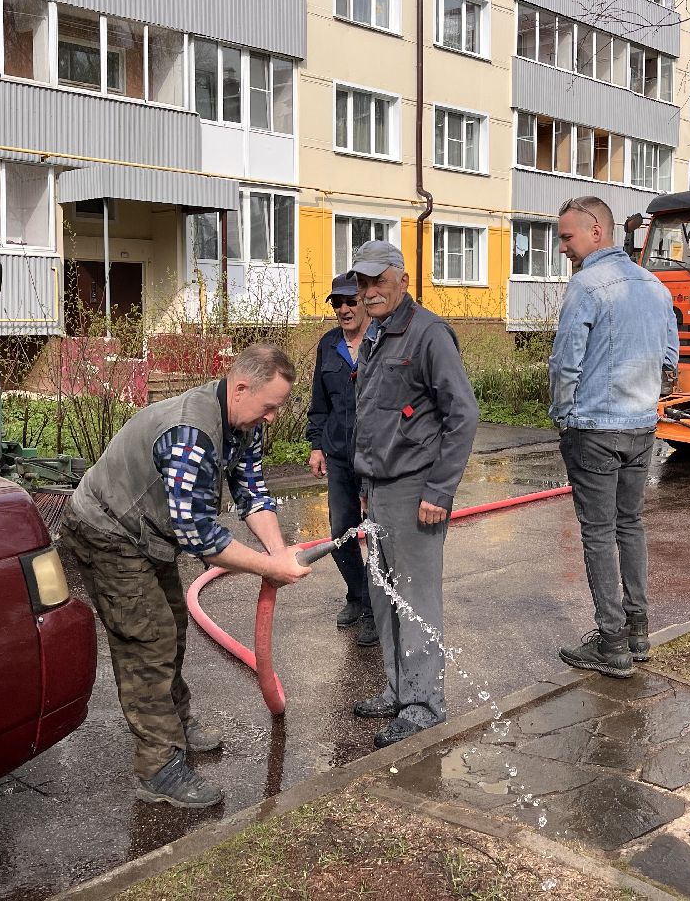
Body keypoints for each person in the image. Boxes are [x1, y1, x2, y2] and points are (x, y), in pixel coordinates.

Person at [59, 344, 310, 808]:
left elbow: (252, 490)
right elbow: (196, 534)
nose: (273, 417)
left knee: (171, 627)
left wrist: (279, 550)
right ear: (240, 388)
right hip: (106, 531)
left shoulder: (241, 423)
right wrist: (268, 566)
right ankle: (157, 768)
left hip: (145, 531)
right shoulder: (191, 433)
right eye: (270, 406)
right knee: (148, 638)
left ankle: (175, 721)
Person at [349, 239, 479, 747]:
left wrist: (439, 490)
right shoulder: (378, 333)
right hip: (380, 489)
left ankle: (424, 704)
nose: (368, 291)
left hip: (415, 489)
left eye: (378, 280)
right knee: (383, 596)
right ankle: (398, 689)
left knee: (415, 599)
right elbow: (372, 418)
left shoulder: (429, 335)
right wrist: (365, 486)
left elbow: (462, 415)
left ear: (403, 278)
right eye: (362, 282)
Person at [549, 196, 678, 679]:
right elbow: (670, 358)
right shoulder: (654, 285)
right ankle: (638, 630)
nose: (563, 246)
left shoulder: (587, 286)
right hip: (640, 425)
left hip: (595, 428)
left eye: (568, 236)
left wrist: (563, 414)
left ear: (597, 231)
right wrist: (645, 400)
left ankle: (611, 642)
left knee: (600, 533)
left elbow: (566, 363)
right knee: (631, 525)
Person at [306, 271, 378, 647]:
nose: (345, 309)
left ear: (365, 300)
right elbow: (320, 402)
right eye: (338, 303)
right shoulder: (328, 344)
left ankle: (373, 610)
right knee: (341, 533)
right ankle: (357, 593)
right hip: (338, 456)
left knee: (378, 536)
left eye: (351, 301)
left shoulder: (381, 342)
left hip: (376, 458)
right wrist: (317, 445)